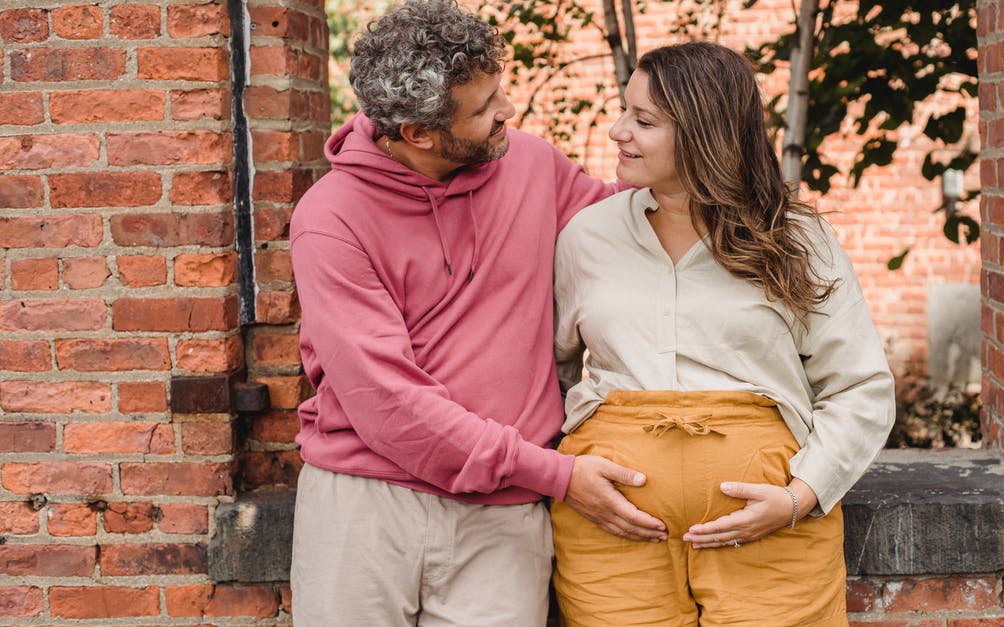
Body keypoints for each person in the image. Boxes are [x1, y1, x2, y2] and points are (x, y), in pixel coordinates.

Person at [287, 2, 667, 625]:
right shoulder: (330, 220)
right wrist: (557, 474)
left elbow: (631, 225)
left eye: (500, 91)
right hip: (365, 506)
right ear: (419, 133)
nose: (507, 112)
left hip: (504, 517)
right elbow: (385, 401)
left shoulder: (532, 166)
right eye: (486, 106)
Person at [552, 41, 896, 626]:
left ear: (702, 133)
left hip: (770, 532)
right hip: (613, 530)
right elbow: (549, 374)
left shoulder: (795, 239)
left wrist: (799, 497)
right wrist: (566, 474)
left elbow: (859, 385)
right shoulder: (587, 237)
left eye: (643, 120)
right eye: (623, 111)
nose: (617, 132)